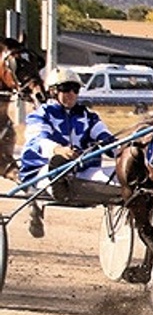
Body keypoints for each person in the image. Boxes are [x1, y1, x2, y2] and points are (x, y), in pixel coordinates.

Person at [19, 68, 122, 237]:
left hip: (83, 171)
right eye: (66, 89)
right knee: (57, 164)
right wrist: (58, 150)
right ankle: (55, 189)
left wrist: (124, 150)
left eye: (76, 89)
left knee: (123, 177)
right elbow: (38, 140)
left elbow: (106, 139)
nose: (72, 94)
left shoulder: (88, 116)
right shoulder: (41, 114)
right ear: (53, 91)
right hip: (43, 170)